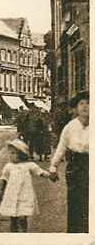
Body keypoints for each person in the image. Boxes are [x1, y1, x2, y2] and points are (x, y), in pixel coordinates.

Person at [49, 91, 89, 233]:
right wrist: (53, 167)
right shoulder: (70, 127)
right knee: (75, 203)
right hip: (75, 168)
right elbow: (61, 147)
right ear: (76, 107)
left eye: (88, 103)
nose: (85, 107)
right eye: (81, 103)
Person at [0, 138, 54, 232]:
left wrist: (50, 176)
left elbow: (40, 172)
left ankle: (23, 233)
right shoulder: (8, 167)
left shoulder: (29, 165)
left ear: (21, 154)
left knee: (23, 217)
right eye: (10, 153)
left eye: (13, 153)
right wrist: (1, 192)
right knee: (13, 217)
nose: (10, 156)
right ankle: (13, 235)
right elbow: (4, 179)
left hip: (25, 195)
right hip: (11, 195)